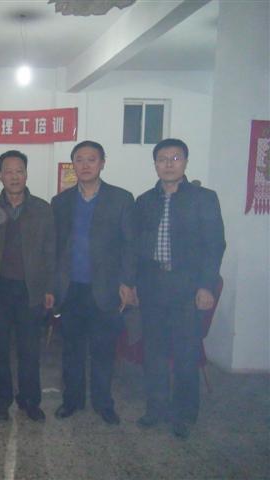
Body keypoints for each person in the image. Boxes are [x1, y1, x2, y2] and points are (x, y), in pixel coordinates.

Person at [134, 138, 225, 439]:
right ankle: (156, 408)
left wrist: (206, 286)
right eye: (162, 159)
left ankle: (184, 414)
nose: (169, 164)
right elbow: (136, 247)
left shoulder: (203, 198)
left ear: (185, 162)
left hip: (187, 288)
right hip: (153, 286)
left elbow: (215, 245)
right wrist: (134, 284)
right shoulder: (145, 201)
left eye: (175, 158)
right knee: (154, 353)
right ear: (155, 164)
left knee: (186, 355)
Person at [51, 141, 136, 425]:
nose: (85, 165)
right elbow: (56, 247)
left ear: (102, 163)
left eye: (91, 159)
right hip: (71, 289)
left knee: (103, 351)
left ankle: (103, 403)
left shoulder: (121, 199)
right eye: (79, 159)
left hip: (105, 289)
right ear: (73, 165)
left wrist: (127, 282)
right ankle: (72, 401)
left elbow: (130, 245)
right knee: (71, 351)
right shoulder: (61, 202)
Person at [0, 150, 55, 422]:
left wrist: (50, 288)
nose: (14, 177)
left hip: (30, 290)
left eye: (19, 171)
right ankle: (0, 402)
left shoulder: (42, 208)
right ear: (0, 175)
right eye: (8, 171)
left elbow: (51, 251)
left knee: (30, 350)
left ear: (26, 174)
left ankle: (30, 400)